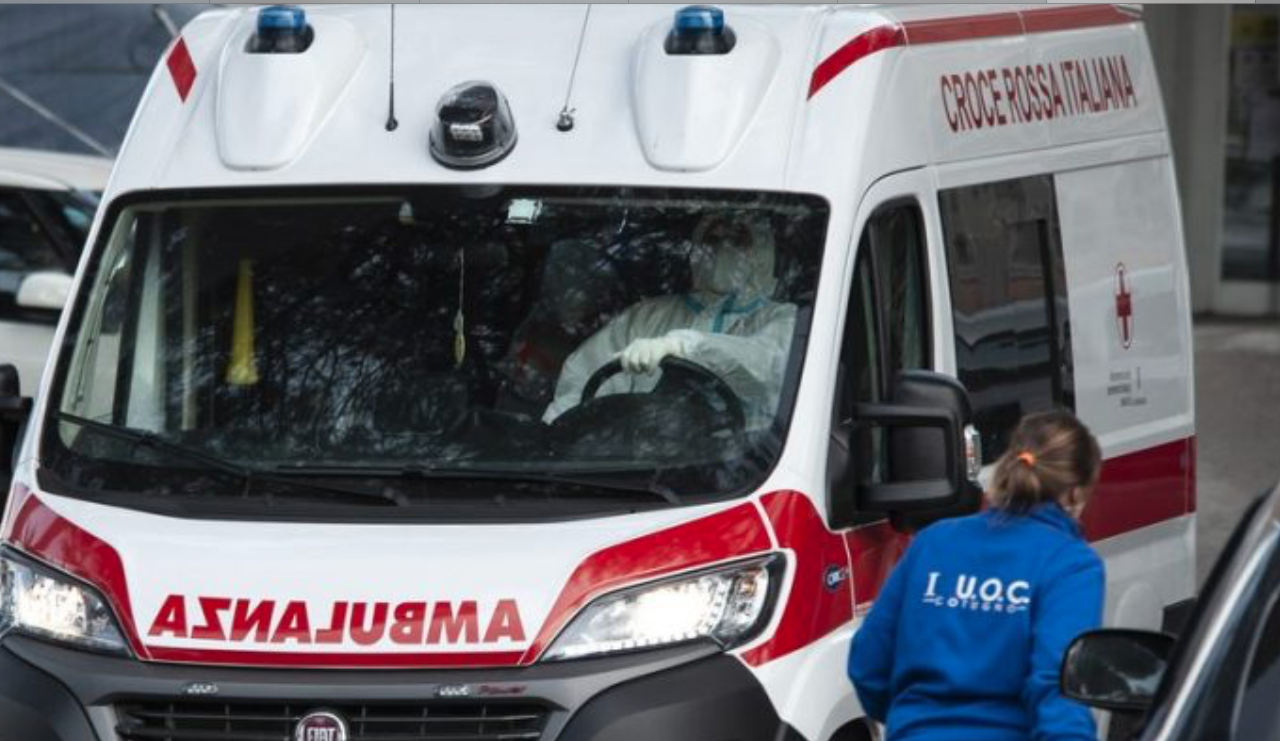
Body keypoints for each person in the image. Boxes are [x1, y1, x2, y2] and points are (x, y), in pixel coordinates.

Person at [848, 410, 1105, 741]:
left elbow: (868, 662)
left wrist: (913, 720)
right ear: (1075, 493)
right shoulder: (1070, 564)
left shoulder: (934, 541)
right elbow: (1058, 687)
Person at [542, 212, 795, 427]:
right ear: (697, 247)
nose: (723, 249)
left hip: (748, 461)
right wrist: (558, 436)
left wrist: (682, 346)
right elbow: (585, 378)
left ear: (761, 251)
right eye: (712, 239)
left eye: (738, 239)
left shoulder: (780, 318)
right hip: (637, 457)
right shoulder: (648, 315)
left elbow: (767, 364)